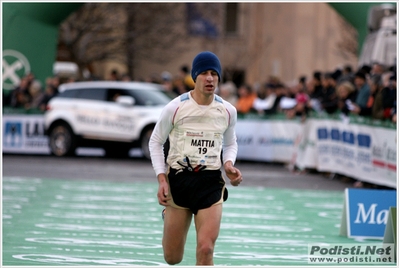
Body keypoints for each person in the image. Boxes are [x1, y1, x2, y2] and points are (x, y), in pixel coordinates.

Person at [149, 51, 242, 265]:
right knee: (173, 258)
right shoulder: (175, 107)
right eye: (204, 73)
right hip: (178, 182)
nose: (209, 78)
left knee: (206, 249)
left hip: (210, 183)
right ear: (194, 76)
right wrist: (161, 179)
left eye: (214, 74)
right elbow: (155, 142)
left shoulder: (227, 111)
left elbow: (230, 143)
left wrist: (228, 164)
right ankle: (169, 215)